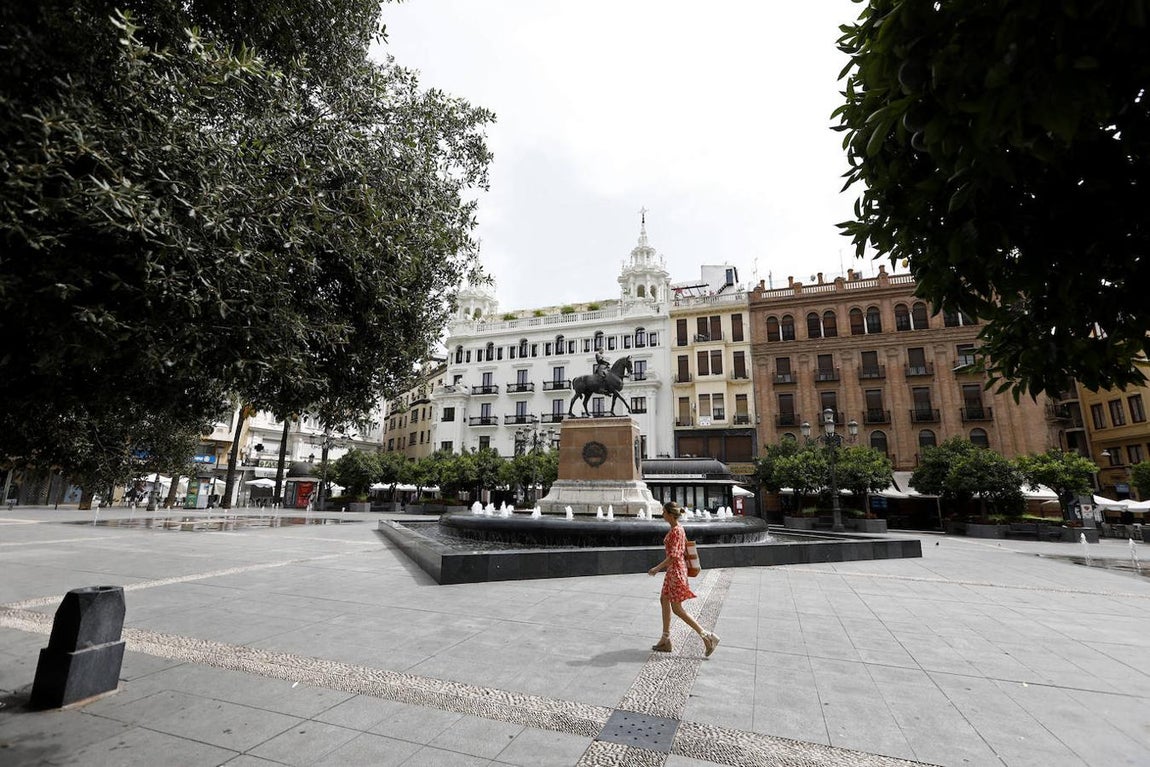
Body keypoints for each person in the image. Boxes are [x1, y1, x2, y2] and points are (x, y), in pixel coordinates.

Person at [647, 501, 719, 656]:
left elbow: (674, 556)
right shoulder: (677, 528)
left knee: (678, 609)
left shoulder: (676, 531)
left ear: (670, 514)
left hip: (676, 572)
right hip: (674, 571)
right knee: (664, 599)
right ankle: (665, 639)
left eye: (664, 512)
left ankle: (707, 636)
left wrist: (656, 568)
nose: (662, 515)